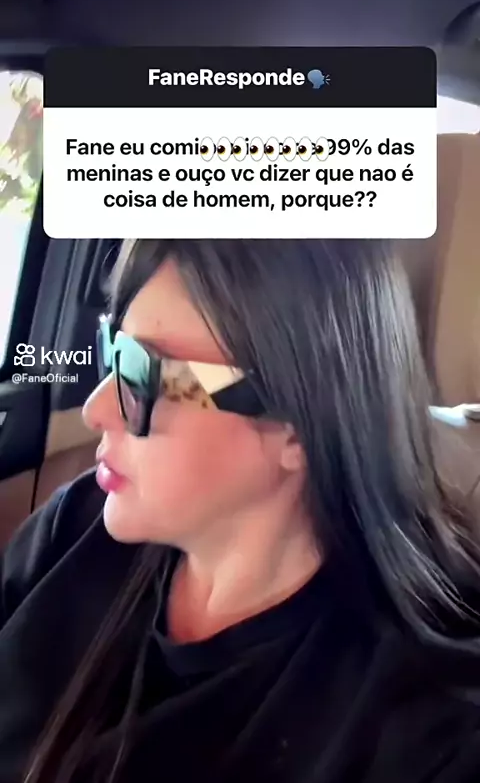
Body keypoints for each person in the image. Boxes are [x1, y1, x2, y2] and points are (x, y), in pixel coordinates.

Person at [1, 238, 480, 783]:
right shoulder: (71, 530)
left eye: (141, 372)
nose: (96, 409)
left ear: (297, 426)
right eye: (114, 349)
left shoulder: (430, 731)